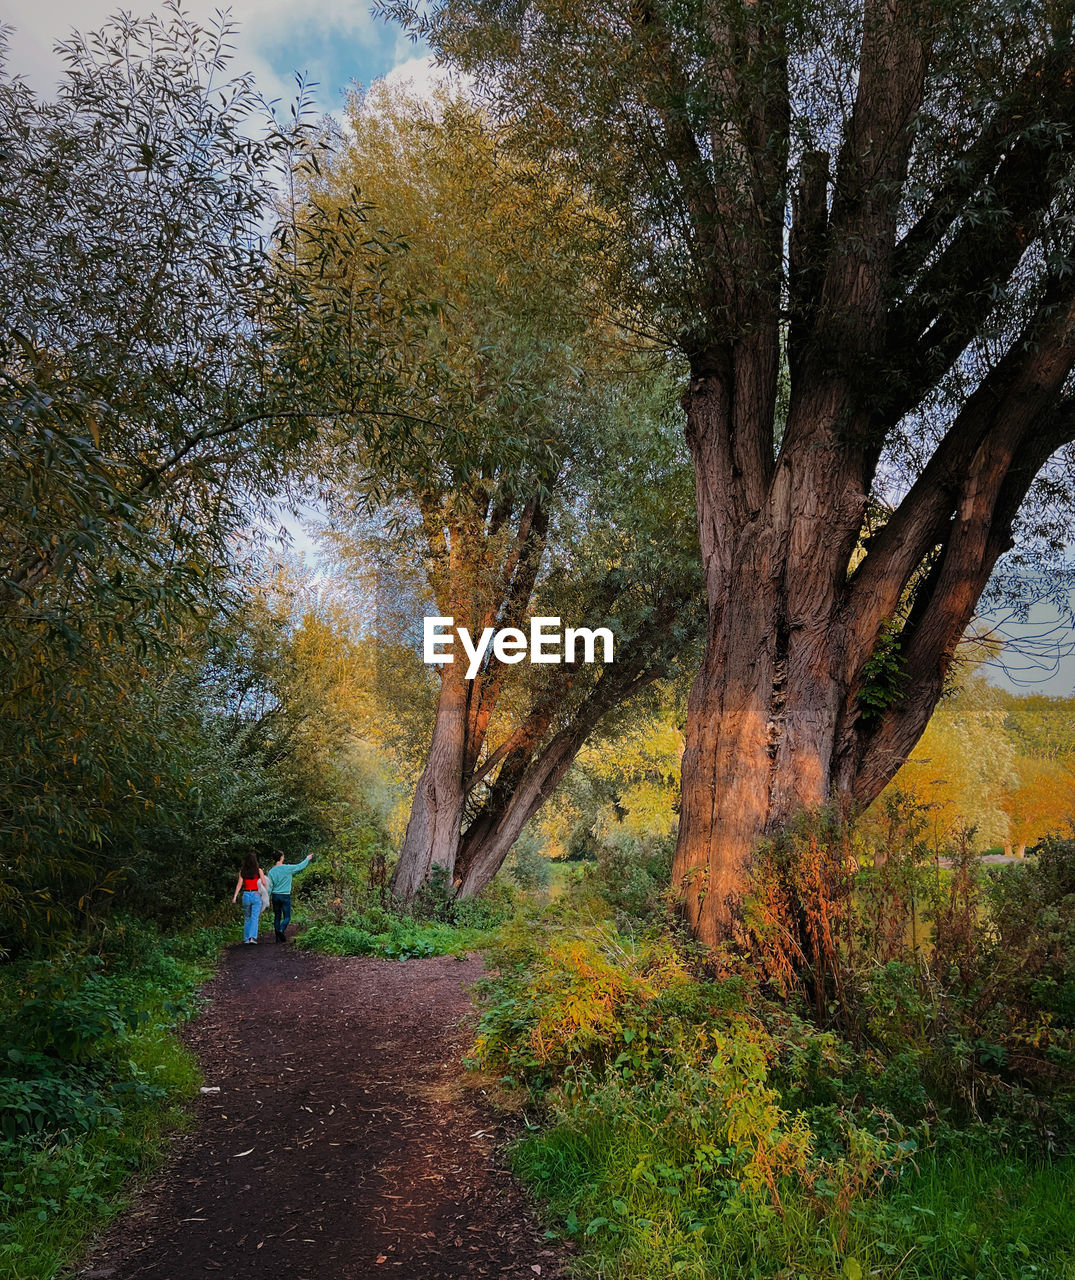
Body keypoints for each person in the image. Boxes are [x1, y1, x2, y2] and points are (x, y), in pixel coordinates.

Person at [266, 849, 315, 943]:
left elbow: (270, 886)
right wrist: (307, 859)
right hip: (285, 895)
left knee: (277, 916)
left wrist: (267, 896)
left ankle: (277, 937)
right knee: (287, 916)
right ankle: (281, 929)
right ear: (281, 858)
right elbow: (299, 866)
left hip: (275, 896)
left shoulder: (271, 871)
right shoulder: (287, 868)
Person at [232, 852, 269, 945]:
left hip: (246, 895)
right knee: (254, 917)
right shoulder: (258, 870)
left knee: (247, 917)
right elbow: (264, 882)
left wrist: (235, 896)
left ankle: (246, 938)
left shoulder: (242, 871)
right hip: (256, 894)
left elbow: (239, 884)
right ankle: (252, 937)